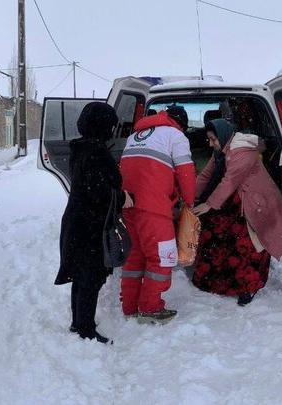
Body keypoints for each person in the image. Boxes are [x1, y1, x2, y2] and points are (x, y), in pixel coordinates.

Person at [193, 118, 282, 306]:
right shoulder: (222, 150)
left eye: (212, 139)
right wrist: (190, 195)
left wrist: (208, 204)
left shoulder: (242, 151)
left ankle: (248, 287)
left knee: (248, 245)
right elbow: (206, 175)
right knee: (215, 236)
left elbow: (230, 181)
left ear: (222, 136)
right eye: (208, 139)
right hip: (235, 200)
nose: (210, 143)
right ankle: (216, 281)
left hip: (255, 203)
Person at [56, 102, 132, 344]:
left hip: (78, 220)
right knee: (90, 277)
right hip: (90, 224)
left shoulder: (81, 148)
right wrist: (123, 197)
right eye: (110, 125)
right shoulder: (96, 153)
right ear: (101, 125)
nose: (113, 129)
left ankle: (78, 322)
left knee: (81, 275)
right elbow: (98, 192)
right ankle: (85, 329)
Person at [119, 106, 196, 324]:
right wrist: (189, 203)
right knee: (162, 257)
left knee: (135, 255)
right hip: (153, 205)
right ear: (180, 123)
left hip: (128, 204)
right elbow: (186, 172)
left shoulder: (134, 136)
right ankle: (150, 308)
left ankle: (130, 306)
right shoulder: (176, 135)